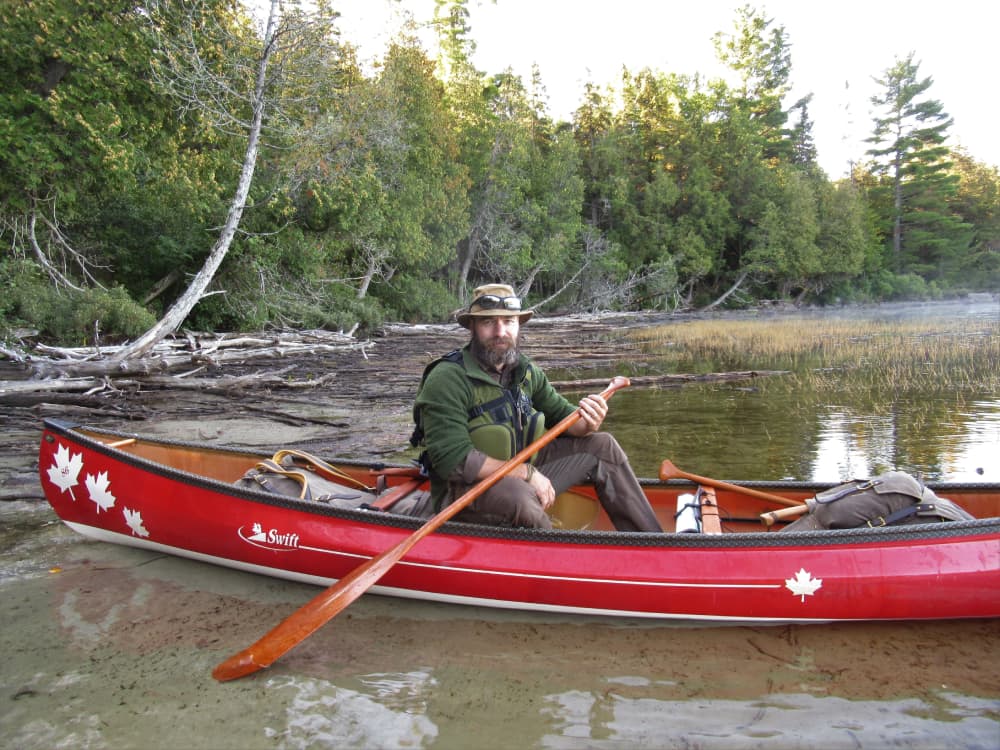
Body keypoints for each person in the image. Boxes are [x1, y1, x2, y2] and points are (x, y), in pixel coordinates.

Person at [410, 283, 663, 532]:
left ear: (518, 326)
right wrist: (528, 474)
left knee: (603, 445)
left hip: (519, 471)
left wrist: (589, 421)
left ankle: (651, 542)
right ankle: (558, 559)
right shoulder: (447, 378)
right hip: (462, 490)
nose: (500, 331)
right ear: (473, 328)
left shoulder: (526, 372)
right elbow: (453, 461)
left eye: (509, 322)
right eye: (489, 322)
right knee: (522, 498)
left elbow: (565, 419)